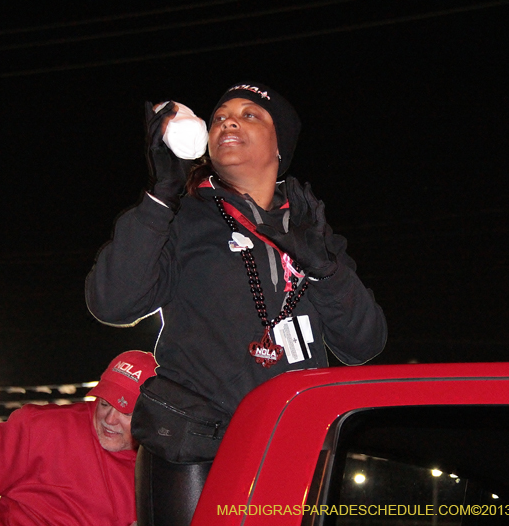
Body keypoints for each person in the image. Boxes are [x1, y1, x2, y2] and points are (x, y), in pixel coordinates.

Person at [85, 82, 387, 525]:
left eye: (250, 115)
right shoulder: (183, 216)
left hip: (292, 445)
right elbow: (112, 303)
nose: (228, 120)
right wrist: (159, 195)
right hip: (194, 446)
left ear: (280, 143)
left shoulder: (308, 224)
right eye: (221, 114)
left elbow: (365, 343)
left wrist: (325, 268)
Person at [0, 350, 158, 526]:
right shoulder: (41, 429)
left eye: (126, 411)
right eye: (105, 403)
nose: (109, 419)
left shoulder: (159, 466)